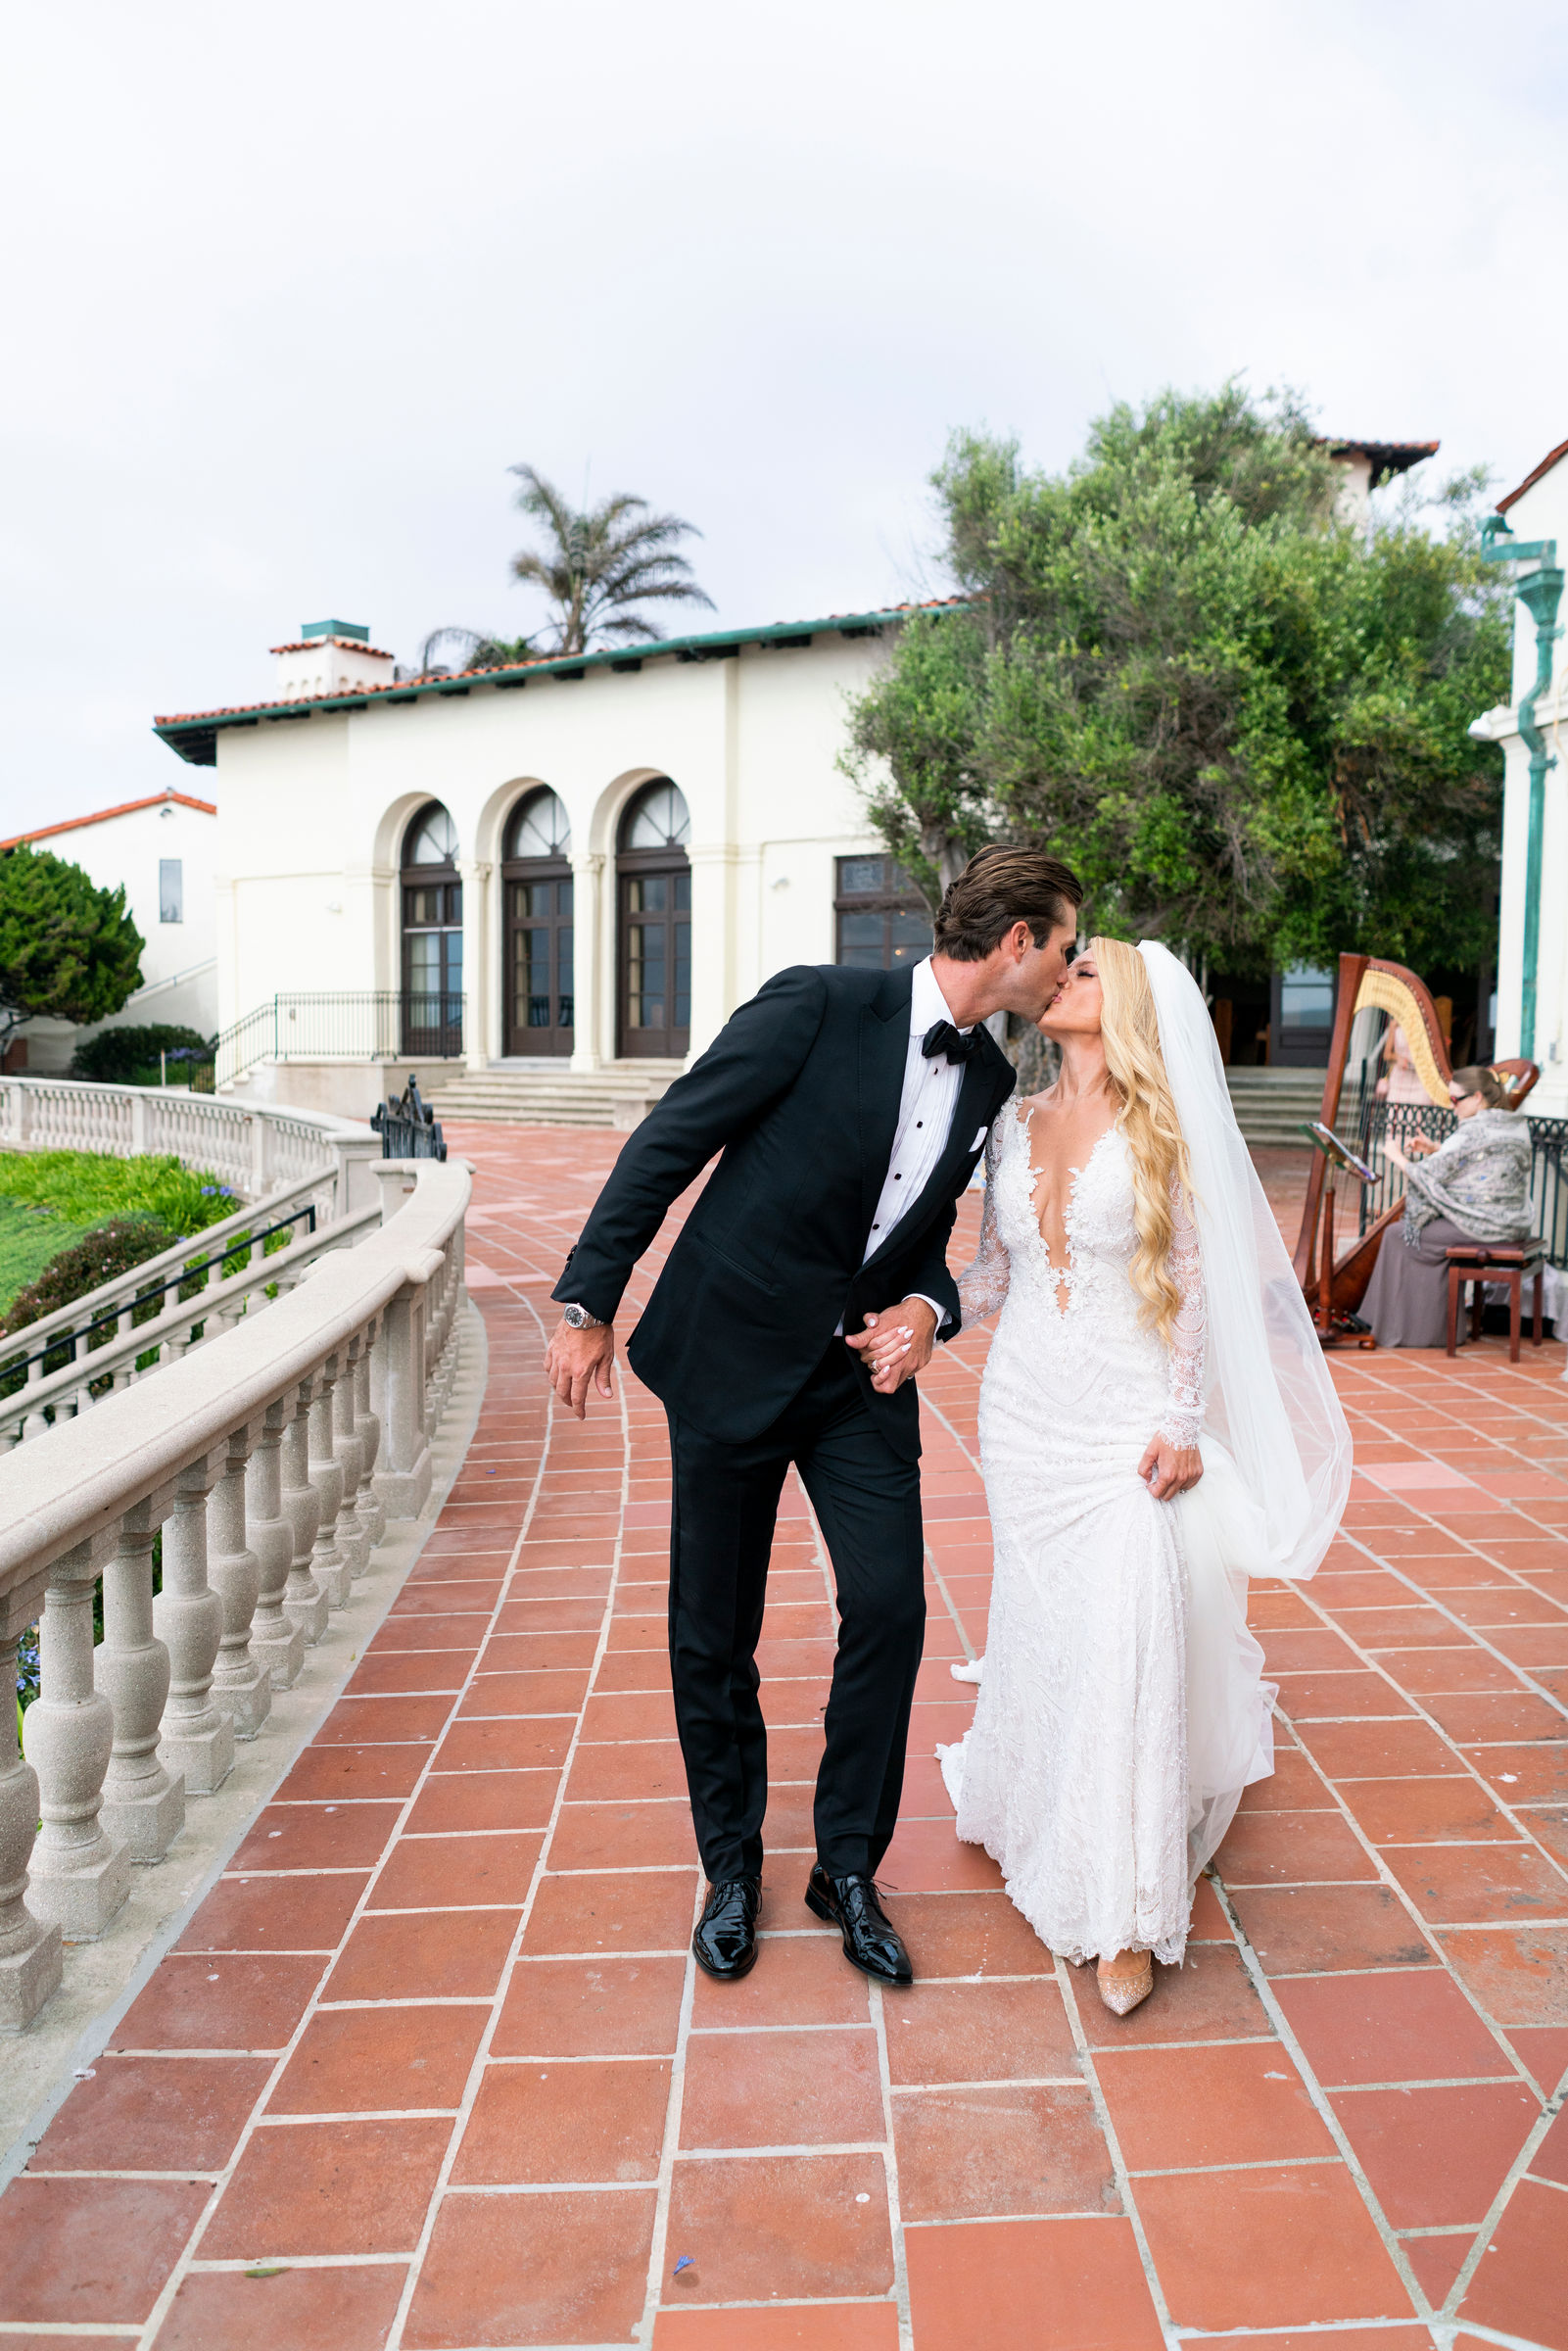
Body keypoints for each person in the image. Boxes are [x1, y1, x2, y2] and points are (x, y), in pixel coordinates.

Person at [544, 844, 1083, 1988]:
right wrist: (589, 1297)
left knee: (889, 1608)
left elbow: (927, 1243)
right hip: (732, 1356)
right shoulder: (816, 1002)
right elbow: (671, 1139)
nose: (1065, 972)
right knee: (712, 1631)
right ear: (1017, 942)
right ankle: (729, 1867)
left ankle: (846, 1865)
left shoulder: (987, 1083)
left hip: (854, 1381)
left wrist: (929, 1312)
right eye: (1064, 946)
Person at [939, 939, 1351, 2016]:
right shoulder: (1007, 1123)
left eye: (1078, 974)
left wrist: (1179, 1419)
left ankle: (1123, 1909)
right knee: (1044, 1616)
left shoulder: (1160, 1125)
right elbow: (991, 1273)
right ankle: (1035, 1809)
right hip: (1022, 1407)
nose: (1054, 984)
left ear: (1114, 1002)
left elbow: (1192, 1287)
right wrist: (915, 1315)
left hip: (1125, 1417)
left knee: (1128, 1622)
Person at [1360, 1067, 1535, 1349]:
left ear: (1477, 1097)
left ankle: (1418, 1332)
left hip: (1484, 1226)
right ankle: (1426, 1326)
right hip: (1512, 1221)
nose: (1452, 1108)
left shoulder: (1472, 1131)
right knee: (1417, 1232)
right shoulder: (1512, 1123)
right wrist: (1437, 1149)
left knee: (1399, 1235)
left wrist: (1396, 1157)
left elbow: (1427, 1175)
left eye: (1456, 1100)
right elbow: (1483, 1161)